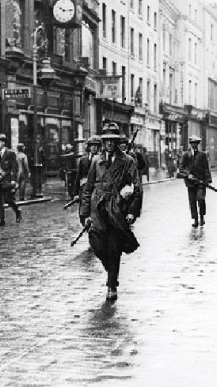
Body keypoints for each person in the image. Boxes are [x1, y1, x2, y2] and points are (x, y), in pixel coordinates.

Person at [79, 123, 143, 302]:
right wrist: (84, 214)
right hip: (97, 210)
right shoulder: (96, 162)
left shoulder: (127, 161)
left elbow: (137, 188)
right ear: (103, 141)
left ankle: (111, 285)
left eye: (113, 141)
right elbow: (87, 188)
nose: (109, 144)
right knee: (98, 246)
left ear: (117, 142)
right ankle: (111, 272)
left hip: (116, 210)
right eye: (106, 140)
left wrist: (132, 211)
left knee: (114, 249)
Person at [179, 135, 212, 228]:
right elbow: (181, 168)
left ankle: (202, 216)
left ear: (198, 144)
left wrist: (208, 179)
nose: (194, 145)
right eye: (192, 143)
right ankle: (195, 219)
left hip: (201, 181)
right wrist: (187, 174)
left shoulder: (202, 155)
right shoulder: (186, 155)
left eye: (196, 143)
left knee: (201, 199)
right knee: (192, 201)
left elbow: (206, 168)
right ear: (190, 144)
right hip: (190, 183)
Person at [0, 133, 22, 227]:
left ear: (3, 143)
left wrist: (13, 179)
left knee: (8, 199)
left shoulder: (10, 153)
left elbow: (14, 167)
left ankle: (17, 211)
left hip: (7, 180)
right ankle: (0, 219)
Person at [72, 135, 102, 202]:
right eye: (92, 145)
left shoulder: (102, 160)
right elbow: (78, 176)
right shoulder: (83, 159)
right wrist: (75, 193)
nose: (94, 147)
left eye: (96, 145)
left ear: (99, 147)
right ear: (89, 147)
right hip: (84, 190)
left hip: (97, 191)